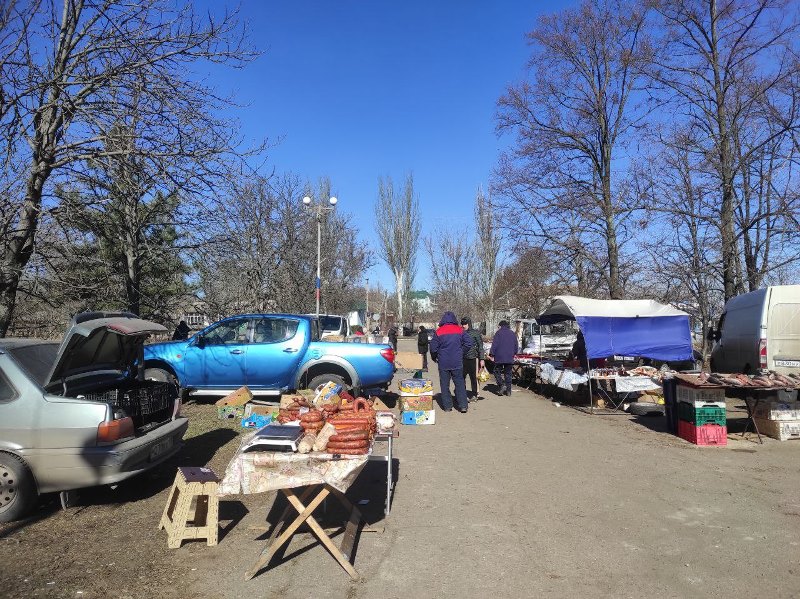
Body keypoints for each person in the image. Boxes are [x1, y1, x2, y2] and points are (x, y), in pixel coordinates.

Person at [429, 311, 474, 413]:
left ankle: (447, 406)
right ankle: (463, 406)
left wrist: (434, 357)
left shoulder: (439, 331)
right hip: (457, 362)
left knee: (445, 385)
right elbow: (469, 343)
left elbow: (433, 348)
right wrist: (461, 352)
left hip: (443, 362)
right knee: (460, 384)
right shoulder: (460, 330)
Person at [489, 320, 518, 396]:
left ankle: (502, 385)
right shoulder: (512, 333)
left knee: (496, 371)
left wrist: (491, 354)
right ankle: (508, 391)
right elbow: (516, 345)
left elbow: (495, 344)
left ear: (501, 326)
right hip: (509, 357)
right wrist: (515, 353)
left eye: (498, 326)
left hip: (500, 357)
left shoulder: (498, 333)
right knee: (508, 373)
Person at [460, 317, 485, 402]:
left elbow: (480, 346)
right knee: (461, 377)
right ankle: (463, 394)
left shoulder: (475, 333)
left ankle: (474, 394)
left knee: (473, 378)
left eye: (465, 324)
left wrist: (482, 359)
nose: (463, 326)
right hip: (462, 359)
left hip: (473, 359)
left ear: (469, 324)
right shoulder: (460, 333)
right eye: (462, 324)